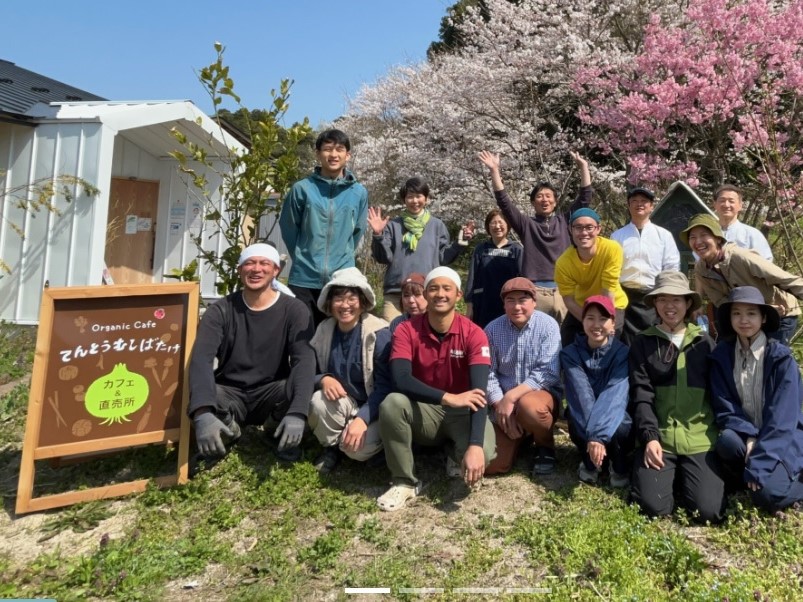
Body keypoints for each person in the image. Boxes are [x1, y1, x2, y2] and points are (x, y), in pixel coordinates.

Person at [377, 267, 496, 511]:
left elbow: (479, 394)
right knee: (392, 403)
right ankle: (404, 481)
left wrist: (474, 446)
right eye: (433, 288)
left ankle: (455, 453)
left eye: (446, 288)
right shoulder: (406, 330)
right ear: (426, 294)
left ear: (458, 295)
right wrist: (447, 398)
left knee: (483, 452)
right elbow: (400, 379)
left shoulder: (475, 334)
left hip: (462, 412)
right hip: (424, 411)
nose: (440, 294)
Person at [188, 243, 315, 464]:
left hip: (272, 392)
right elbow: (202, 358)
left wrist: (298, 411)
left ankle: (275, 431)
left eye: (264, 263)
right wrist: (201, 412)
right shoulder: (221, 310)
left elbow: (303, 360)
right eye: (249, 263)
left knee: (300, 384)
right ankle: (228, 431)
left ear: (276, 270)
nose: (256, 269)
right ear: (240, 270)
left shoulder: (294, 310)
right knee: (205, 391)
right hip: (230, 393)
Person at [629, 271, 726, 523]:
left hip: (700, 439)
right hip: (660, 439)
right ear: (655, 304)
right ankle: (669, 476)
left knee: (707, 512)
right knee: (653, 507)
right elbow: (641, 394)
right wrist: (649, 438)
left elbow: (718, 393)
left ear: (688, 303)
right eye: (662, 299)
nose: (669, 306)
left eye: (677, 300)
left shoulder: (704, 343)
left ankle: (691, 476)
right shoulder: (643, 342)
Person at [709, 286, 803, 513]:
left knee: (767, 496)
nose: (744, 320)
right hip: (747, 436)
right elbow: (725, 407)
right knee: (727, 442)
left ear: (763, 318)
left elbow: (782, 419)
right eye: (737, 313)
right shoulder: (722, 355)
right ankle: (752, 479)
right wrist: (750, 434)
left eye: (751, 313)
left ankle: (786, 483)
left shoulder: (780, 358)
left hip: (781, 439)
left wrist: (760, 461)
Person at [477, 149, 592, 323]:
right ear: (533, 202)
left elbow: (585, 199)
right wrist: (494, 171)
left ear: (555, 201)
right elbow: (504, 203)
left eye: (548, 196)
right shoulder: (526, 224)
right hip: (535, 291)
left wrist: (583, 167)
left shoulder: (565, 221)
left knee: (565, 339)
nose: (544, 200)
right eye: (539, 196)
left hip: (564, 291)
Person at [279, 129, 369, 326]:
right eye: (327, 149)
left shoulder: (359, 192)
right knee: (302, 339)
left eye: (339, 149)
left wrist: (342, 256)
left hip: (341, 278)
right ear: (318, 153)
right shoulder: (302, 189)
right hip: (304, 279)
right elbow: (289, 228)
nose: (333, 155)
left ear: (348, 155)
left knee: (338, 339)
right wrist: (303, 257)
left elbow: (358, 231)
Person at [307, 268, 392, 473]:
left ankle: (376, 447)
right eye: (338, 299)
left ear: (362, 302)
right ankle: (333, 448)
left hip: (373, 407)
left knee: (355, 450)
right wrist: (323, 379)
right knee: (317, 402)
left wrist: (362, 419)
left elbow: (386, 386)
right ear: (330, 303)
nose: (345, 305)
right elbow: (308, 369)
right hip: (344, 402)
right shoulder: (324, 329)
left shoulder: (378, 332)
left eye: (352, 298)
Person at [681, 213, 803, 346]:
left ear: (717, 238)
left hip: (781, 314)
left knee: (772, 357)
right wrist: (764, 310)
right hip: (751, 316)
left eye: (704, 235)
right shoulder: (701, 269)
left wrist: (768, 311)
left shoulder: (741, 257)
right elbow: (721, 301)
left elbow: (785, 279)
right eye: (692, 237)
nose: (698, 242)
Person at [484, 278, 562, 476]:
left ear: (534, 302)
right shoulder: (492, 330)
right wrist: (499, 403)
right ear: (504, 304)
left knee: (530, 409)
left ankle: (544, 445)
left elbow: (548, 372)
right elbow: (488, 372)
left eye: (523, 300)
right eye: (510, 300)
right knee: (493, 465)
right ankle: (523, 437)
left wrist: (512, 397)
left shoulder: (548, 326)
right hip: (503, 402)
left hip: (539, 395)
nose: (517, 306)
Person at [368, 177, 474, 322]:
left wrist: (460, 243)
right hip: (396, 294)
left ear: (427, 198)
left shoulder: (437, 226)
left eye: (418, 196)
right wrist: (378, 235)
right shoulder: (393, 226)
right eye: (410, 197)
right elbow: (383, 258)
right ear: (403, 200)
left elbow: (443, 258)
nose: (414, 201)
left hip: (427, 294)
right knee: (390, 336)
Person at [561, 296, 632, 487]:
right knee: (576, 420)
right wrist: (595, 436)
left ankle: (618, 464)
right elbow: (580, 393)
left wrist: (597, 435)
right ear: (582, 321)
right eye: (590, 318)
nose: (596, 324)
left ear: (613, 323)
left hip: (613, 415)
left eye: (603, 318)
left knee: (622, 424)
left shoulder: (623, 353)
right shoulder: (570, 354)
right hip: (586, 419)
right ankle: (590, 462)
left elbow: (615, 393)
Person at [611, 187, 680, 345]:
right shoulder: (617, 236)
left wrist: (666, 293)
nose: (639, 204)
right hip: (624, 296)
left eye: (644, 201)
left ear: (651, 206)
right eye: (634, 201)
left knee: (653, 340)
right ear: (628, 206)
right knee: (624, 340)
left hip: (653, 295)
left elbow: (671, 267)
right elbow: (612, 268)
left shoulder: (663, 235)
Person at [554, 208, 628, 346]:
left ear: (598, 229)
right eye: (578, 228)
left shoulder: (611, 249)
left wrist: (607, 320)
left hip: (612, 304)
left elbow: (609, 288)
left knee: (610, 343)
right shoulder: (563, 262)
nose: (584, 233)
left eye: (589, 227)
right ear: (570, 229)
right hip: (582, 306)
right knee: (566, 340)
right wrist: (588, 321)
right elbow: (569, 300)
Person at [465, 209, 523, 328]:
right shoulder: (481, 249)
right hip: (483, 303)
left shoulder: (516, 249)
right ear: (487, 226)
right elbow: (472, 277)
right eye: (493, 223)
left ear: (508, 225)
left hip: (508, 302)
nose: (497, 226)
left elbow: (522, 279)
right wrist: (469, 305)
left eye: (501, 222)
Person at [713, 185, 773, 261]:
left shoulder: (752, 234)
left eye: (731, 201)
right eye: (722, 201)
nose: (726, 205)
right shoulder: (708, 233)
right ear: (715, 204)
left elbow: (766, 263)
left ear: (740, 206)